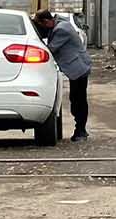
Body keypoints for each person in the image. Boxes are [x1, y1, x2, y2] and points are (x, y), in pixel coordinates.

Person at [33, 10, 92, 141]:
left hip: (78, 68)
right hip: (76, 67)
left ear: (47, 21)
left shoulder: (61, 29)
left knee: (78, 100)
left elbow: (50, 49)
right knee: (76, 99)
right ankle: (80, 129)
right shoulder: (59, 25)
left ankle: (81, 130)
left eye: (41, 25)